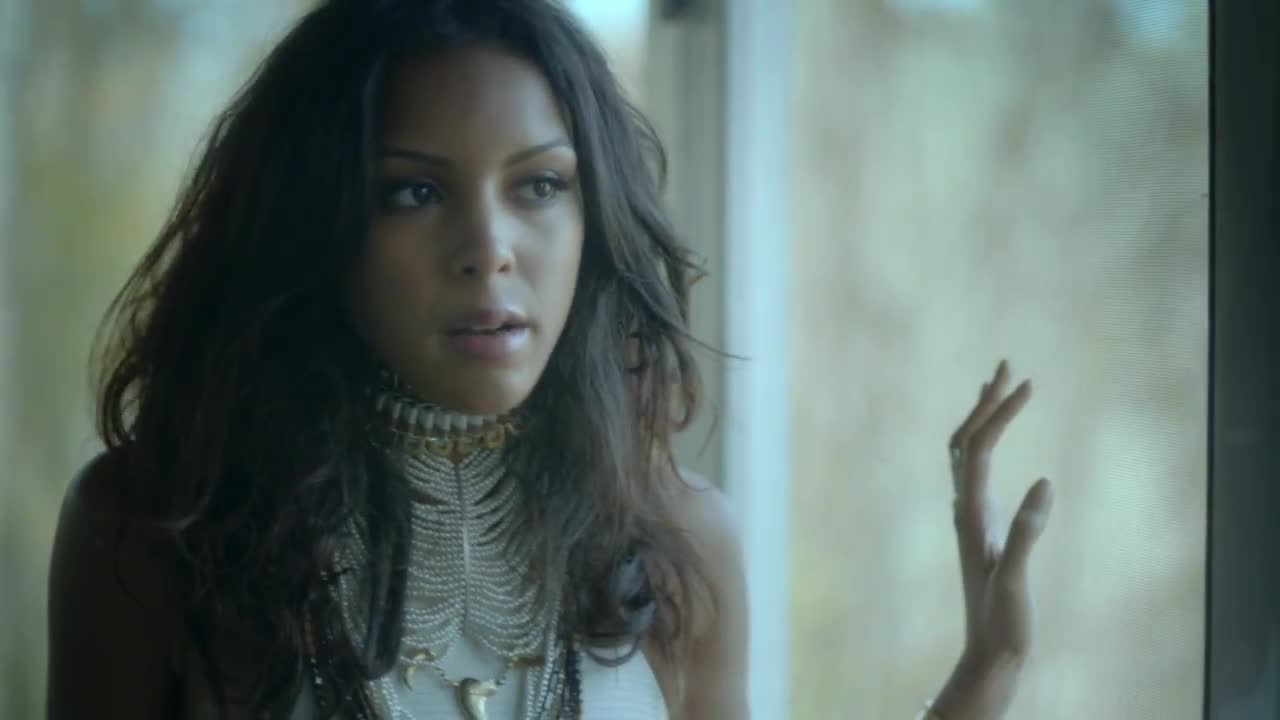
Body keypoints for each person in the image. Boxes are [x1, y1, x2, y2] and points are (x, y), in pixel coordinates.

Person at [44, 1, 1054, 718]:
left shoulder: (680, 542)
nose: (489, 249)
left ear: (594, 217)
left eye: (538, 186)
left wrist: (988, 673)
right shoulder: (154, 529)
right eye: (413, 192)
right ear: (315, 223)